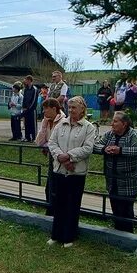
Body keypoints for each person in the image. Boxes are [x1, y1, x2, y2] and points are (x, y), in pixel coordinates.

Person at [47, 96, 96, 247]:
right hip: (60, 170)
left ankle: (69, 236)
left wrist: (69, 157)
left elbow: (87, 148)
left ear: (82, 109)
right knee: (58, 203)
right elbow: (52, 142)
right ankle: (56, 235)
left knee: (72, 204)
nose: (71, 110)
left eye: (74, 107)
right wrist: (60, 157)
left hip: (76, 172)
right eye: (69, 107)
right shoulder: (61, 124)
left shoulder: (88, 127)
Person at [93, 111, 137, 233]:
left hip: (129, 182)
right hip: (113, 180)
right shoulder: (109, 135)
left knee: (126, 210)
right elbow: (94, 145)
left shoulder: (133, 135)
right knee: (116, 208)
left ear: (124, 124)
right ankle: (118, 234)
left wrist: (121, 151)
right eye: (112, 121)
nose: (112, 124)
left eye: (115, 121)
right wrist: (104, 149)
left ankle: (128, 236)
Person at [35, 99, 66, 216]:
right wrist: (43, 126)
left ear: (54, 109)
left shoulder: (63, 122)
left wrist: (47, 145)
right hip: (51, 158)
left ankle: (55, 212)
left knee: (56, 188)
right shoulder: (47, 121)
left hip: (60, 159)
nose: (44, 111)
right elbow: (38, 142)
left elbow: (58, 142)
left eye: (45, 108)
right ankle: (50, 210)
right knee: (49, 188)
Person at [21, 75, 38, 142]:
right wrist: (23, 107)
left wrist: (29, 108)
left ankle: (34, 138)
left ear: (29, 80)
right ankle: (27, 137)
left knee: (32, 124)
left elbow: (34, 100)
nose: (25, 81)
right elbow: (24, 99)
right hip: (25, 109)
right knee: (26, 124)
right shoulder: (26, 89)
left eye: (26, 80)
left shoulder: (34, 89)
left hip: (32, 110)